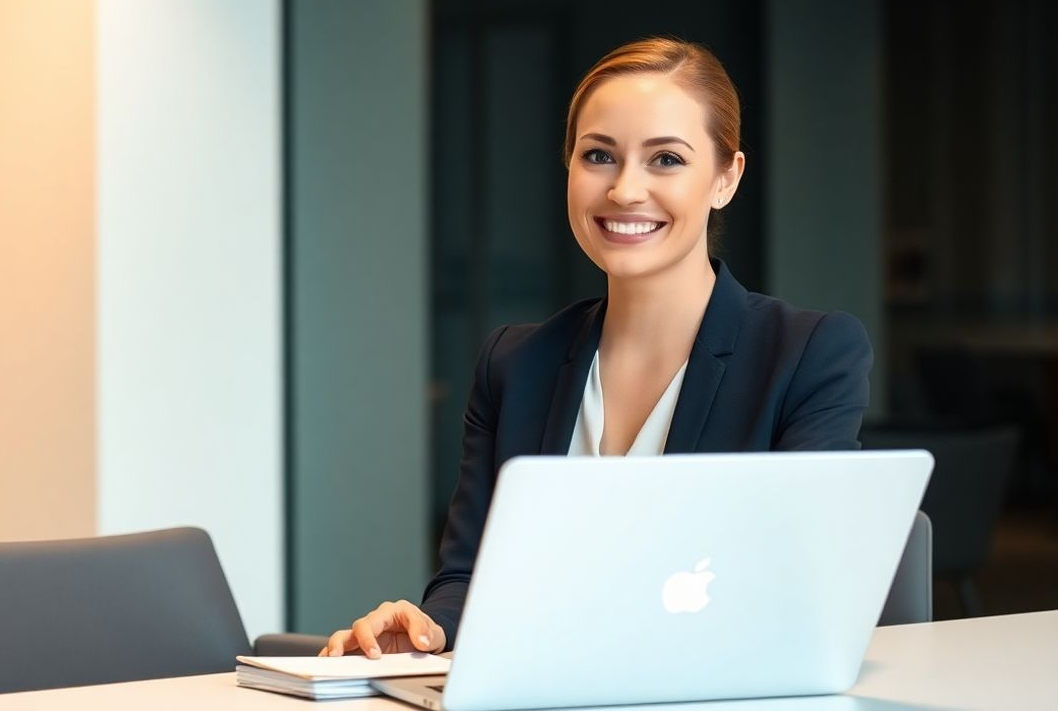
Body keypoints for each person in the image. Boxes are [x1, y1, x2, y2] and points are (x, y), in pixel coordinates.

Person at [319, 37, 872, 659]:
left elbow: (797, 586)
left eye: (666, 159)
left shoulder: (808, 354)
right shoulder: (514, 363)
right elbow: (468, 577)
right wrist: (427, 628)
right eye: (599, 156)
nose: (625, 190)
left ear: (725, 178)